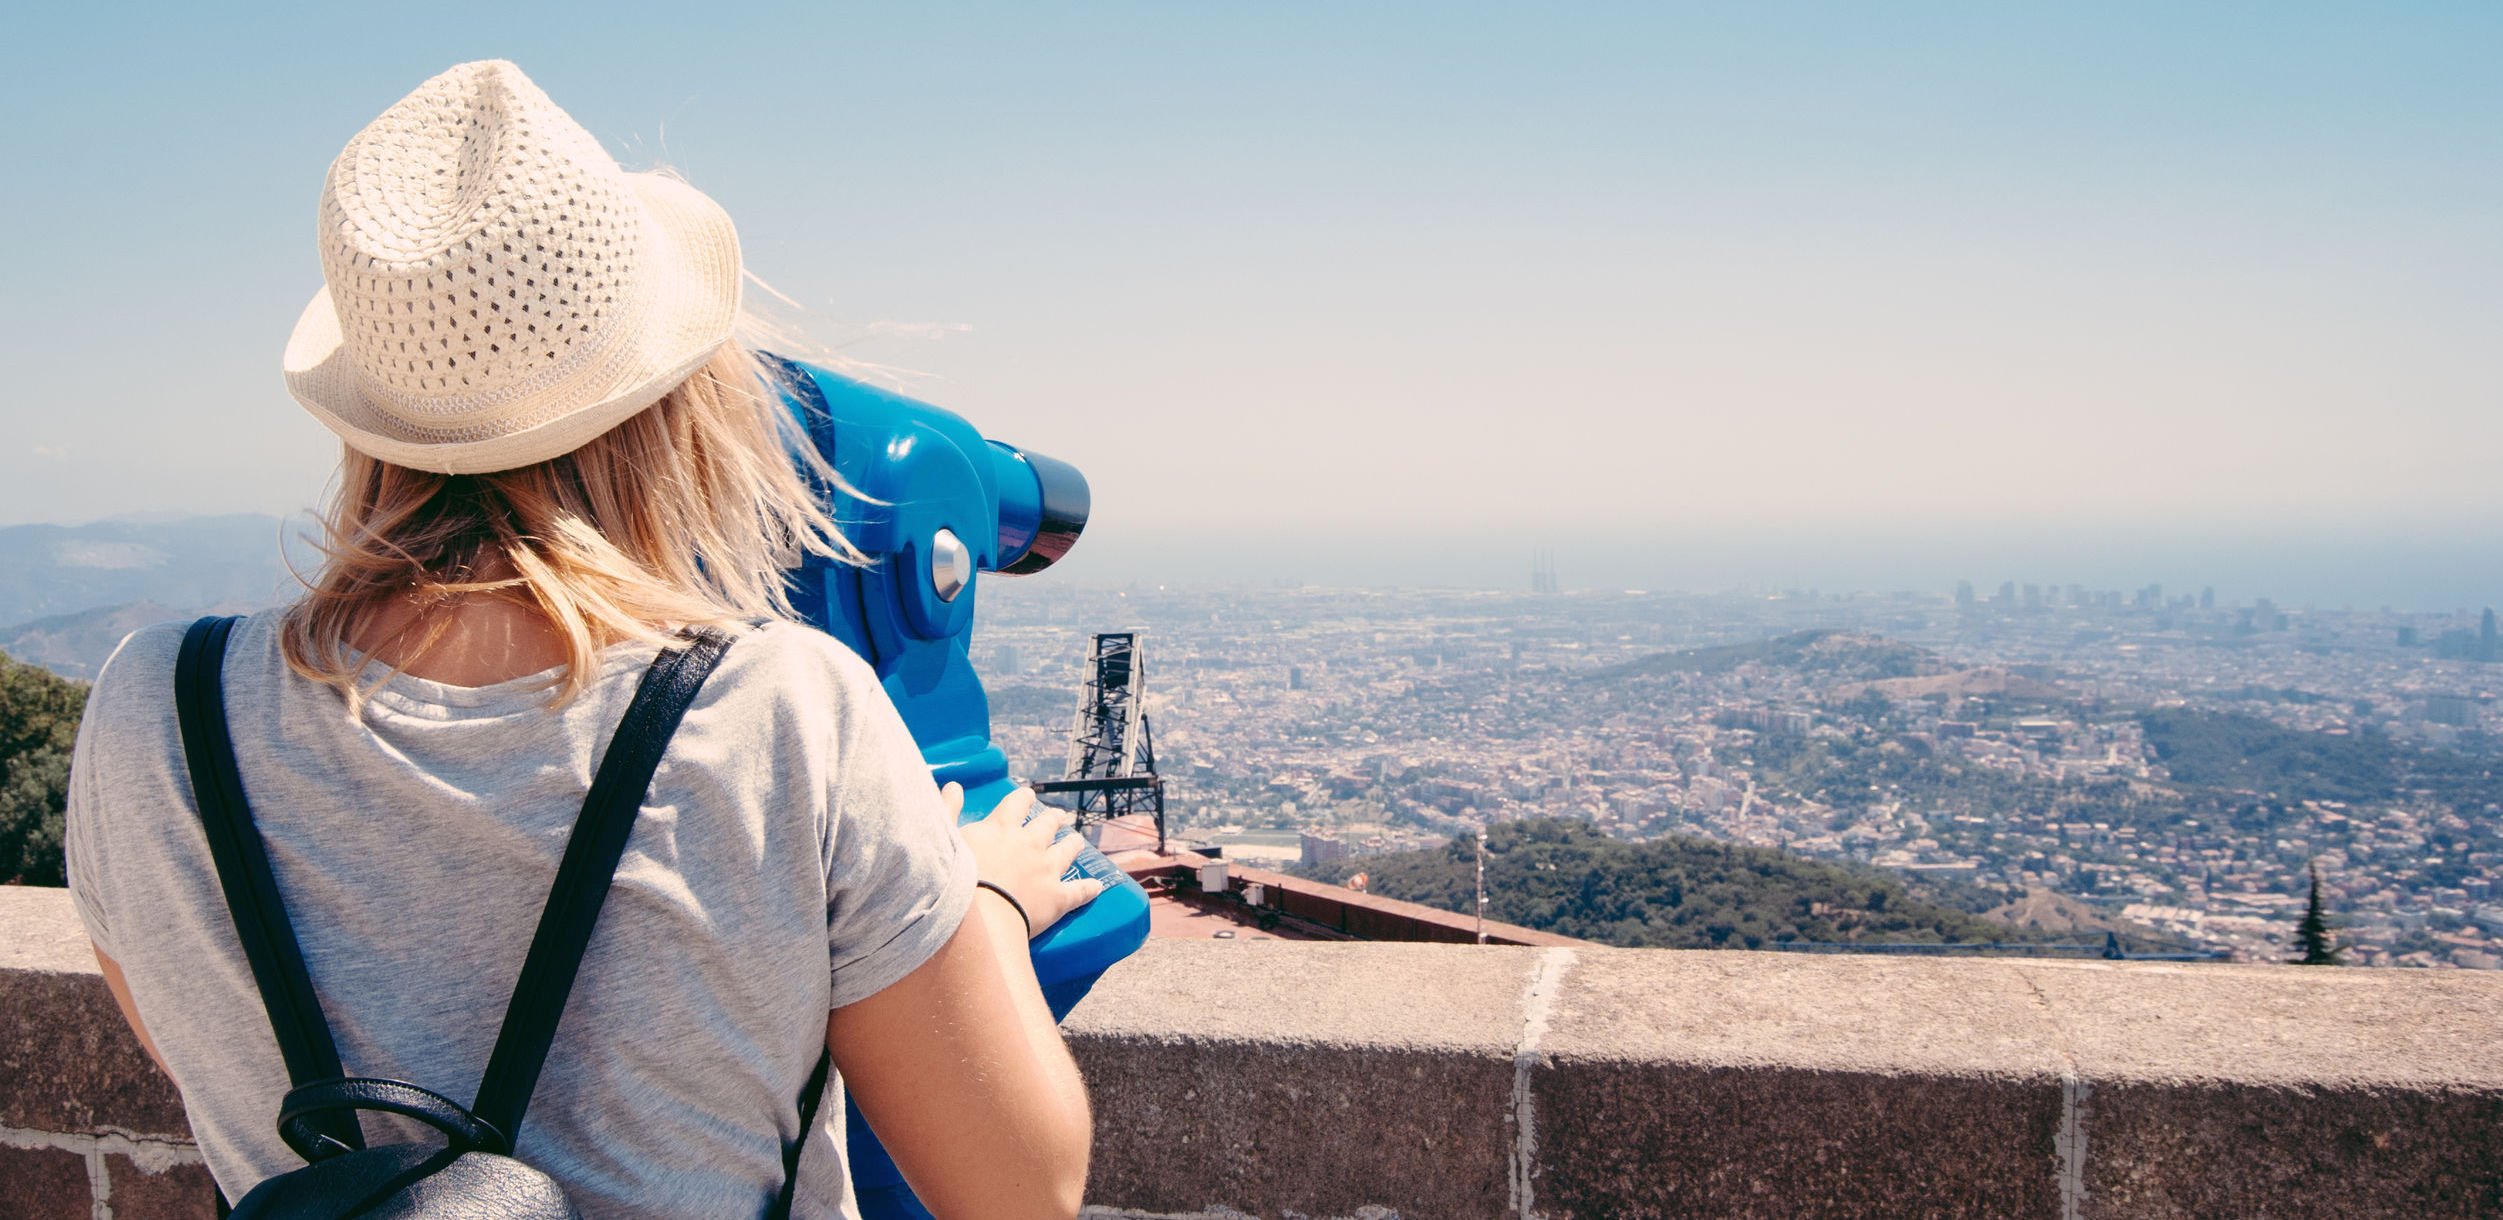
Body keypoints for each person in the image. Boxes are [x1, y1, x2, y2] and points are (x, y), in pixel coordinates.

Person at [63, 60, 1099, 1218]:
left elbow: (215, 1049)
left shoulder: (154, 709)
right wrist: (985, 906)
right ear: (675, 390)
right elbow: (1020, 1188)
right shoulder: (778, 708)